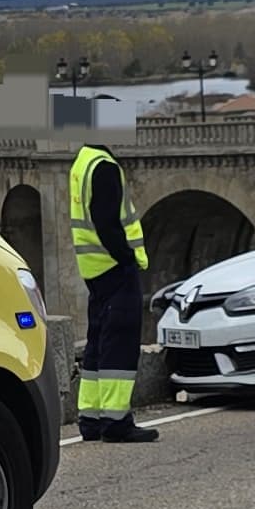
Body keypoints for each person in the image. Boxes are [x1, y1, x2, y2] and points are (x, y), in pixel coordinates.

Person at [67, 138, 156, 443]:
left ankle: (90, 419)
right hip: (114, 267)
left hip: (93, 269)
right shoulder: (104, 166)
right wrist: (127, 257)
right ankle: (117, 422)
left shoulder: (83, 161)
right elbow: (106, 222)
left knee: (98, 342)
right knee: (120, 342)